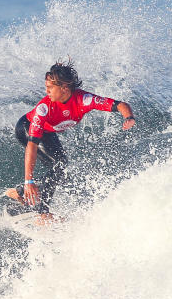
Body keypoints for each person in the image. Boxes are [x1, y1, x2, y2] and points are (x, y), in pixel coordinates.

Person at [8, 61, 135, 212]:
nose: (46, 91)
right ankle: (42, 212)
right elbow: (32, 145)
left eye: (50, 87)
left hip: (48, 132)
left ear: (64, 88)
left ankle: (19, 193)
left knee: (60, 173)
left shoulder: (84, 100)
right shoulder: (43, 108)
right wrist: (28, 179)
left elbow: (120, 105)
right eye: (46, 86)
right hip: (26, 129)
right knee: (59, 166)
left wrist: (128, 118)